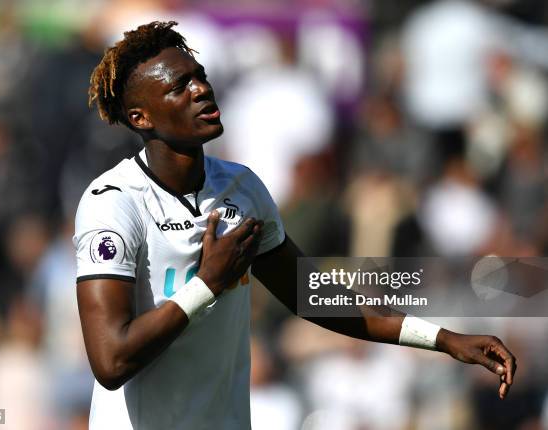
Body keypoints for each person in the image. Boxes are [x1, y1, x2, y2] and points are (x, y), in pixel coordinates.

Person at [74, 21, 516, 430]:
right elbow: (111, 361)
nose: (202, 90)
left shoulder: (243, 189)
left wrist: (443, 338)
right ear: (140, 118)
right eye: (179, 87)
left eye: (200, 76)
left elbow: (317, 298)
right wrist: (207, 284)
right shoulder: (112, 205)